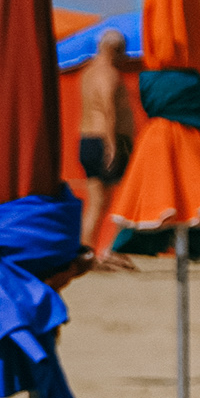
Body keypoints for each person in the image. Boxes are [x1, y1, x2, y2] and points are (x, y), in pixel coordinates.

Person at [73, 25, 133, 261]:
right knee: (123, 197)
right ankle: (110, 249)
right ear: (113, 50)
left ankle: (87, 250)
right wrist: (112, 145)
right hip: (105, 140)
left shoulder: (86, 72)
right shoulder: (108, 73)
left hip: (87, 139)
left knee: (96, 200)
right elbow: (109, 109)